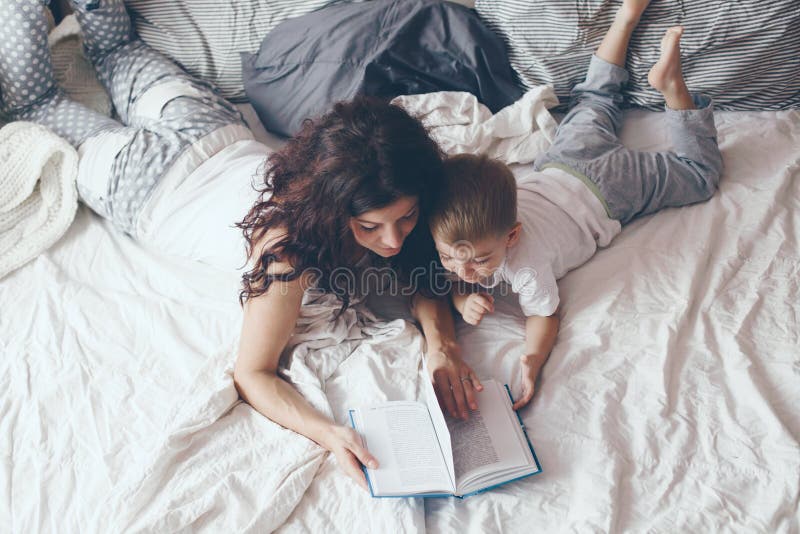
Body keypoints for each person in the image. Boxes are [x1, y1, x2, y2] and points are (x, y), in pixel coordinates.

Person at [0, 0, 482, 490]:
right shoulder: (287, 253)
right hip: (145, 182)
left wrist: (442, 346)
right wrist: (328, 433)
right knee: (35, 107)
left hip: (213, 130)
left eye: (406, 219)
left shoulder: (396, 185)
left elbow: (418, 272)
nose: (394, 240)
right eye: (370, 227)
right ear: (334, 209)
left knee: (118, 47)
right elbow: (254, 374)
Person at [427, 0, 723, 410]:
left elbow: (545, 315)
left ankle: (674, 90)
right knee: (593, 98)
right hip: (564, 161)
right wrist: (461, 297)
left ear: (512, 237)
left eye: (479, 262)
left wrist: (532, 359)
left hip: (609, 191)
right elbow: (457, 271)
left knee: (698, 174)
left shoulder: (524, 265)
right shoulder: (471, 232)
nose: (464, 271)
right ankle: (626, 16)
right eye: (448, 257)